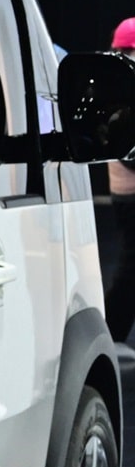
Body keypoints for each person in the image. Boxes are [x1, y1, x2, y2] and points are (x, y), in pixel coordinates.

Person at [97, 19, 135, 341]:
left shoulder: (114, 83)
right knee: (130, 270)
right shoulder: (121, 88)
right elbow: (127, 152)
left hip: (126, 194)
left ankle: (113, 334)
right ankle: (111, 335)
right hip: (130, 195)